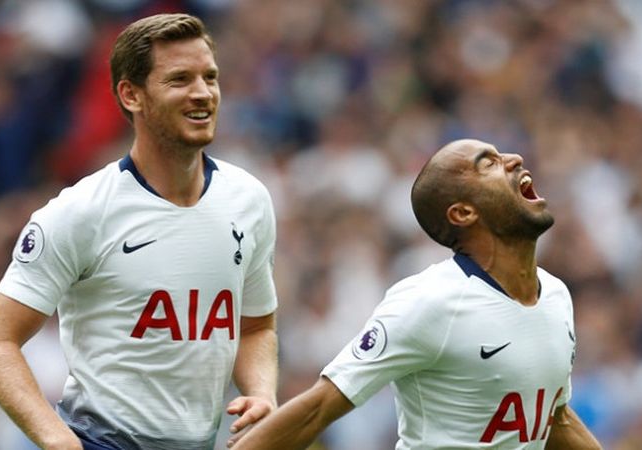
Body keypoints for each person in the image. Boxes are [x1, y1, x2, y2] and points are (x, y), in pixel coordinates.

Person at [0, 13, 279, 450]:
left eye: (210, 77)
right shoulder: (80, 212)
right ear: (131, 94)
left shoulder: (250, 200)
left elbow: (256, 328)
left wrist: (261, 392)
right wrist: (59, 442)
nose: (203, 93)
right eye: (180, 79)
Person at [233, 139, 601, 449]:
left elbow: (553, 417)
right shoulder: (429, 301)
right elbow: (318, 408)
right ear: (463, 212)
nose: (514, 160)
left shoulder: (555, 295)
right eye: (488, 164)